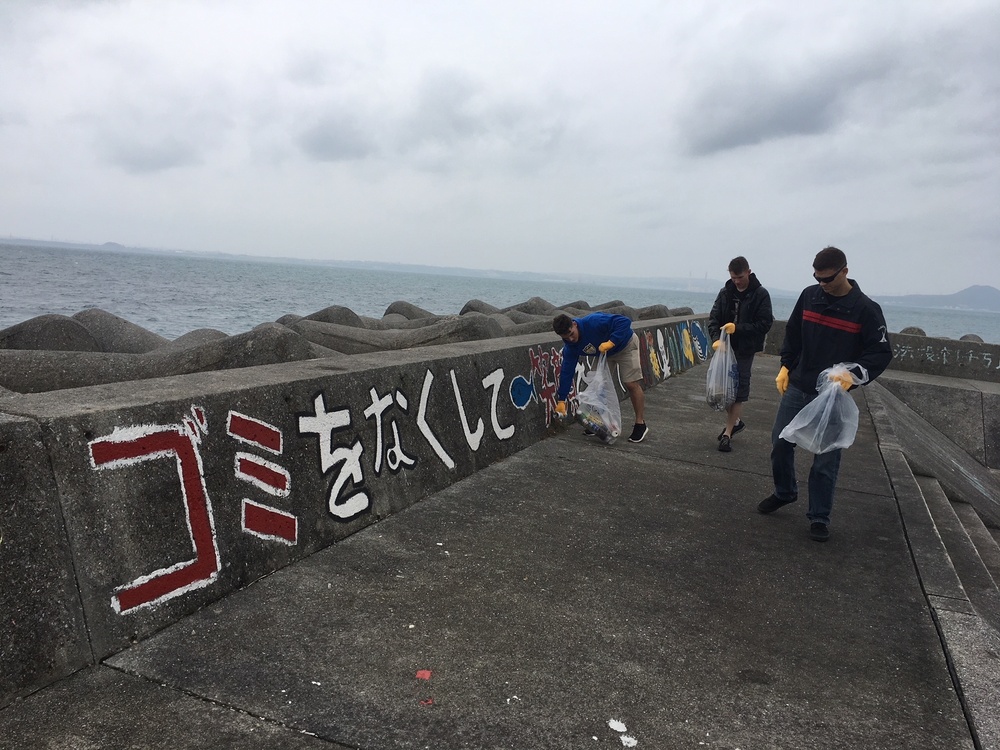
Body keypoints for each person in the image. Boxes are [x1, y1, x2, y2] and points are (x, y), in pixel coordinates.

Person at [758, 246, 893, 541]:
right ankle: (785, 491)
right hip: (799, 384)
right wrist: (785, 366)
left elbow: (880, 353)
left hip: (832, 395)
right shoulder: (809, 296)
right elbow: (792, 334)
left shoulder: (866, 310)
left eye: (828, 279)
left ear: (845, 271)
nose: (823, 284)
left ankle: (819, 516)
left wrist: (852, 375)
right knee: (780, 443)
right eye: (817, 278)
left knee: (826, 458)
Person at [708, 256, 774, 453]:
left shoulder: (761, 294)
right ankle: (735, 422)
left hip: (745, 349)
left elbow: (765, 324)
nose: (736, 281)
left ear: (748, 272)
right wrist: (716, 339)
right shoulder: (725, 292)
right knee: (721, 390)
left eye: (740, 277)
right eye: (733, 277)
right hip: (725, 349)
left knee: (738, 391)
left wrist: (738, 328)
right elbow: (713, 318)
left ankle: (727, 434)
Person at [552, 312, 648, 443]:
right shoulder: (571, 347)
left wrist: (612, 341)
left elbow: (624, 321)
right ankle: (597, 422)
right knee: (596, 386)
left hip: (625, 345)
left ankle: (640, 424)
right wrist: (561, 400)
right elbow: (567, 372)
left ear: (574, 324)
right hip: (605, 354)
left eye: (571, 334)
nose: (570, 339)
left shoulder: (594, 321)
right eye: (565, 338)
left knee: (631, 383)